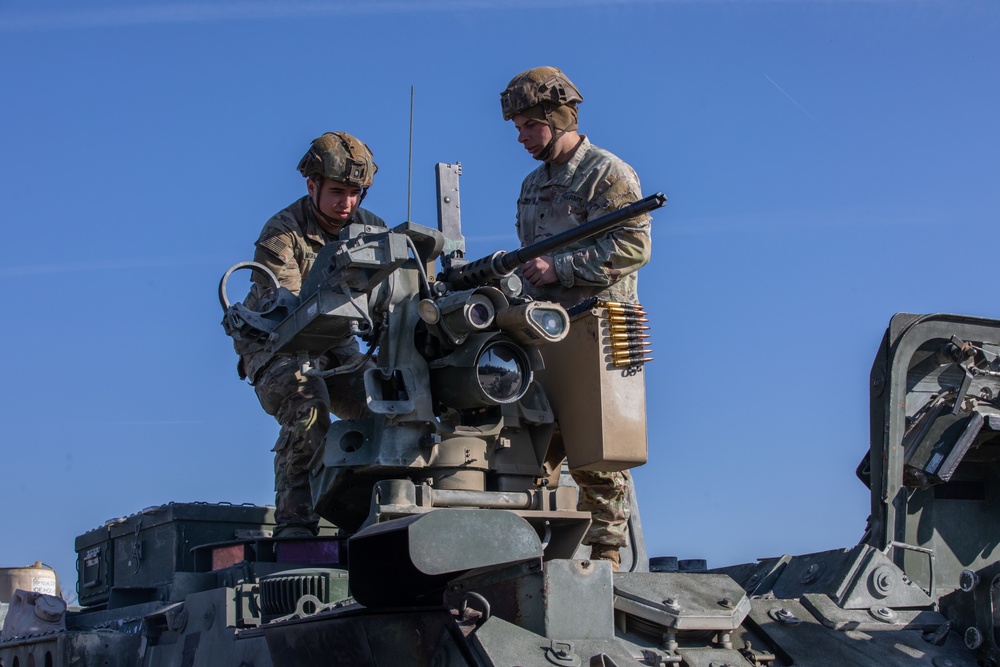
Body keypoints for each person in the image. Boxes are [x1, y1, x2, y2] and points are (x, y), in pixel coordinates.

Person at [501, 67, 653, 570]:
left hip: (600, 327)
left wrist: (558, 267)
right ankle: (537, 550)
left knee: (598, 444)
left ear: (557, 117)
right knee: (534, 436)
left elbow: (634, 246)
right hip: (547, 328)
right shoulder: (530, 184)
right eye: (517, 126)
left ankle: (607, 554)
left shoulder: (607, 173)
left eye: (528, 125)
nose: (520, 136)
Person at [234, 132, 385, 538]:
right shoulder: (282, 232)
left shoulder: (371, 230)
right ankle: (296, 525)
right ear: (312, 186)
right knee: (309, 402)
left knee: (389, 403)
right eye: (338, 191)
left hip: (338, 346)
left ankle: (376, 517)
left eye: (357, 193)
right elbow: (291, 309)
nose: (347, 204)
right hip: (277, 348)